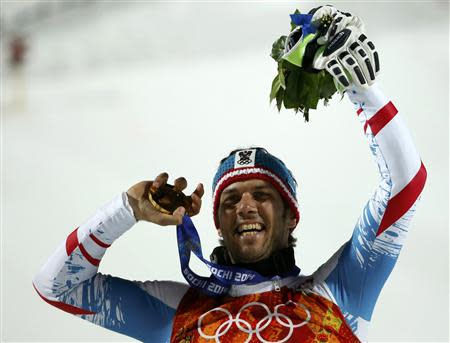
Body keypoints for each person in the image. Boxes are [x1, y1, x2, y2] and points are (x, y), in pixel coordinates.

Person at [33, 6, 427, 343]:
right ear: (218, 223)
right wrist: (126, 210)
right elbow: (57, 286)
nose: (246, 207)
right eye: (231, 200)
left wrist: (360, 87)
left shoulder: (338, 293)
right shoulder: (177, 311)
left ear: (292, 216)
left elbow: (405, 185)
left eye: (263, 194)